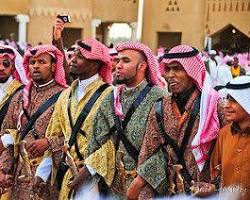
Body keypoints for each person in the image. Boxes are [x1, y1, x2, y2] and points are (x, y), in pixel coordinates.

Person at [70, 41, 168, 199]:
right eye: (118, 60)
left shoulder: (160, 98)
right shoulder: (110, 98)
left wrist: (140, 181)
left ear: (142, 66)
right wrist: (90, 171)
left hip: (146, 189)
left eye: (126, 61)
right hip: (112, 187)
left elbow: (167, 148)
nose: (118, 65)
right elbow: (96, 142)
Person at [131, 45, 225, 199]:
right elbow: (148, 153)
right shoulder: (159, 107)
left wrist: (216, 186)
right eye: (167, 69)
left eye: (177, 69)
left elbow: (232, 152)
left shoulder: (214, 106)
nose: (170, 75)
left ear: (192, 72)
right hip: (168, 191)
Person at [34, 38, 113, 200]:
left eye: (80, 56)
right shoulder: (65, 95)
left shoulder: (109, 95)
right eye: (73, 55)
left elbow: (112, 141)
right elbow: (55, 137)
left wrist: (87, 171)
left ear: (96, 64)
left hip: (95, 180)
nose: (72, 60)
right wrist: (41, 174)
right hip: (68, 177)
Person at [0, 44, 67, 200]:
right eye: (32, 62)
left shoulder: (65, 96)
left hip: (50, 176)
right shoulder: (20, 96)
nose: (36, 66)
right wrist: (4, 170)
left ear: (53, 66)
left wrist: (49, 142)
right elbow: (8, 133)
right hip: (20, 175)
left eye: (42, 62)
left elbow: (74, 137)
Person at [211, 76, 250, 200]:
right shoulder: (224, 134)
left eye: (233, 100)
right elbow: (216, 172)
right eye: (227, 99)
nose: (226, 105)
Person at [0, 44, 29, 153]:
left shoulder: (23, 93)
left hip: (9, 152)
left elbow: (28, 127)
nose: (1, 67)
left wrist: (6, 139)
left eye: (6, 64)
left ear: (13, 66)